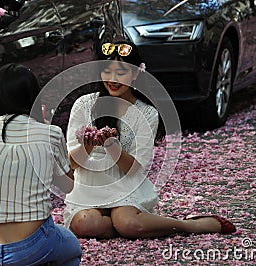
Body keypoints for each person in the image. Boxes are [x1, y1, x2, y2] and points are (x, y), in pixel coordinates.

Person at [63, 40, 236, 239]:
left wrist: (113, 148)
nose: (113, 79)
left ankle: (188, 225)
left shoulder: (147, 113)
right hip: (89, 190)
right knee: (87, 224)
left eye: (121, 72)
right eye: (107, 71)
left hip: (125, 189)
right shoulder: (83, 105)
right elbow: (70, 164)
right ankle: (121, 225)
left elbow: (136, 169)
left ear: (136, 73)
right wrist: (86, 148)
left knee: (129, 224)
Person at [0, 64, 82, 265]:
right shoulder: (50, 134)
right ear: (35, 97)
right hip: (32, 246)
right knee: (72, 250)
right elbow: (67, 187)